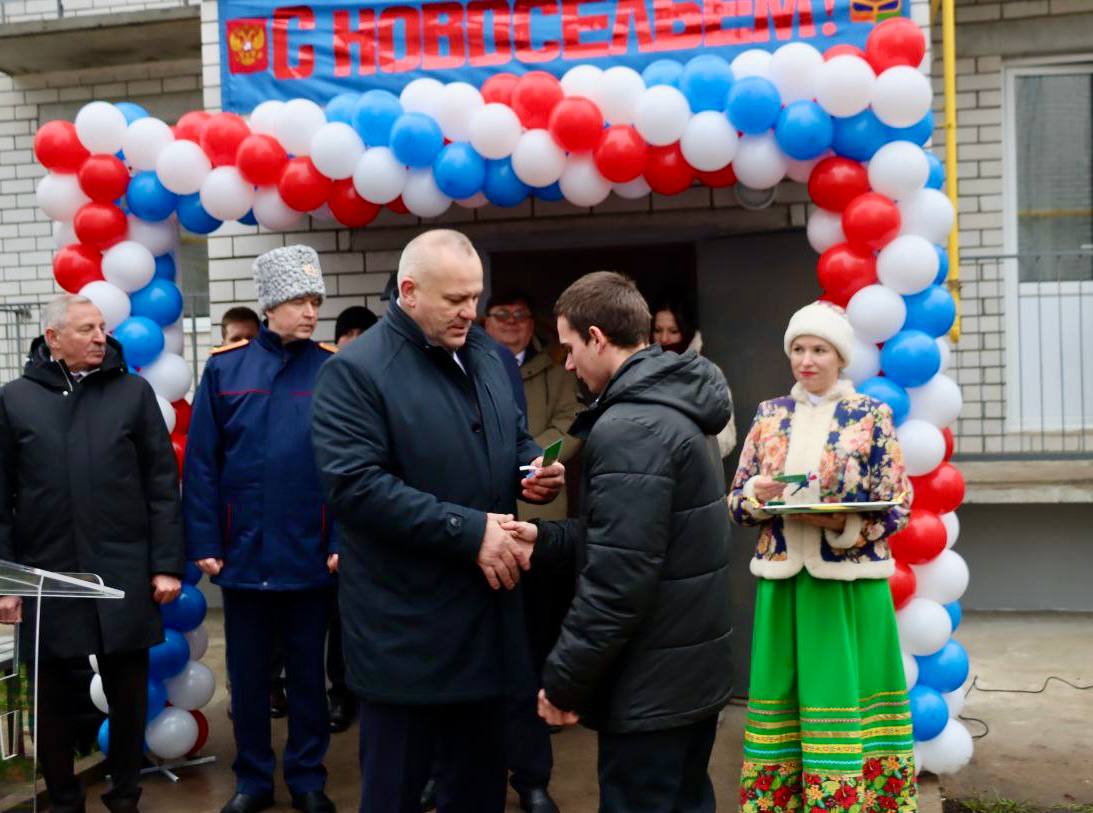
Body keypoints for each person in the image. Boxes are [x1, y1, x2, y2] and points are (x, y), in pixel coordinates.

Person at [310, 229, 565, 813]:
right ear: (409, 291)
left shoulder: (486, 356)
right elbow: (356, 486)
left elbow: (511, 437)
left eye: (474, 297)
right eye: (454, 300)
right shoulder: (356, 371)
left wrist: (531, 466)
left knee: (477, 789)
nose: (469, 312)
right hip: (406, 634)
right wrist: (470, 530)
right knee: (396, 792)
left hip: (487, 623)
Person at [502, 271, 735, 813]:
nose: (566, 363)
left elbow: (617, 581)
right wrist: (548, 537)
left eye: (568, 347)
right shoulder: (676, 406)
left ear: (597, 338)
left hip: (651, 685)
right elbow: (639, 538)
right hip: (690, 678)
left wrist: (561, 682)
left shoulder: (630, 427)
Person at [727, 301, 915, 813]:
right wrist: (755, 497)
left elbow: (898, 504)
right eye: (798, 349)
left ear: (840, 357)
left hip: (848, 589)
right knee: (785, 703)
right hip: (785, 585)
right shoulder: (769, 416)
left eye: (819, 349)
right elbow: (737, 500)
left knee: (843, 700)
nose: (806, 360)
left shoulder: (871, 415)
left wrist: (843, 524)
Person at [0, 294, 184, 813]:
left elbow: (162, 486)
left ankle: (125, 794)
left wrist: (166, 564)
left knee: (127, 696)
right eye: (86, 329)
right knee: (53, 698)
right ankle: (63, 800)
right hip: (47, 573)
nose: (101, 337)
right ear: (53, 339)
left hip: (122, 570)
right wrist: (8, 583)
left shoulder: (133, 393)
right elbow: (1, 501)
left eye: (102, 327)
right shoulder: (14, 399)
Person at [184, 246, 339, 813]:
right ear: (270, 304)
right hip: (244, 555)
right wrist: (204, 540)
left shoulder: (330, 369)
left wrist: (340, 540)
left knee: (307, 679)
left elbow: (349, 466)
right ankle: (251, 780)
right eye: (299, 300)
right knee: (247, 682)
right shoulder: (226, 368)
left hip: (308, 554)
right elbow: (202, 464)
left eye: (315, 300)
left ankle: (306, 778)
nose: (310, 311)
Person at [482, 291, 584, 813]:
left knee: (528, 647)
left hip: (532, 518)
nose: (514, 324)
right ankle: (446, 772)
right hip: (463, 532)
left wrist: (530, 465)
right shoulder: (416, 364)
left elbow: (545, 433)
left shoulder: (509, 364)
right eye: (503, 316)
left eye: (523, 315)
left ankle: (531, 776)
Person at [324, 304, 379, 734]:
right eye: (350, 334)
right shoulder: (327, 380)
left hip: (377, 530)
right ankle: (340, 695)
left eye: (366, 334)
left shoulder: (384, 384)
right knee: (336, 623)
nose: (356, 343)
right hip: (329, 533)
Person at [650, 298, 736, 458]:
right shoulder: (641, 372)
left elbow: (726, 438)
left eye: (673, 331)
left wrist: (689, 451)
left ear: (686, 331)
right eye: (657, 330)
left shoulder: (707, 373)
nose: (664, 339)